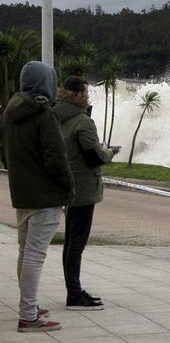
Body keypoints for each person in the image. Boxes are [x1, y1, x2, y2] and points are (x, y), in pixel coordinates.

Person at [0, 61, 74, 332]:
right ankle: (28, 315)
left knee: (25, 253)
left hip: (22, 194)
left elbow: (4, 156)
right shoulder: (44, 114)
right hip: (45, 196)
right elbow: (57, 158)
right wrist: (68, 190)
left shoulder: (9, 113)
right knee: (35, 255)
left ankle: (28, 306)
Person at [55, 76, 119, 310]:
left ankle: (74, 289)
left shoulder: (57, 117)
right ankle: (74, 295)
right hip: (83, 189)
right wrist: (109, 153)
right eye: (86, 93)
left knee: (71, 241)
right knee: (77, 243)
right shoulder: (83, 121)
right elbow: (93, 156)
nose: (88, 97)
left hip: (68, 187)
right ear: (78, 95)